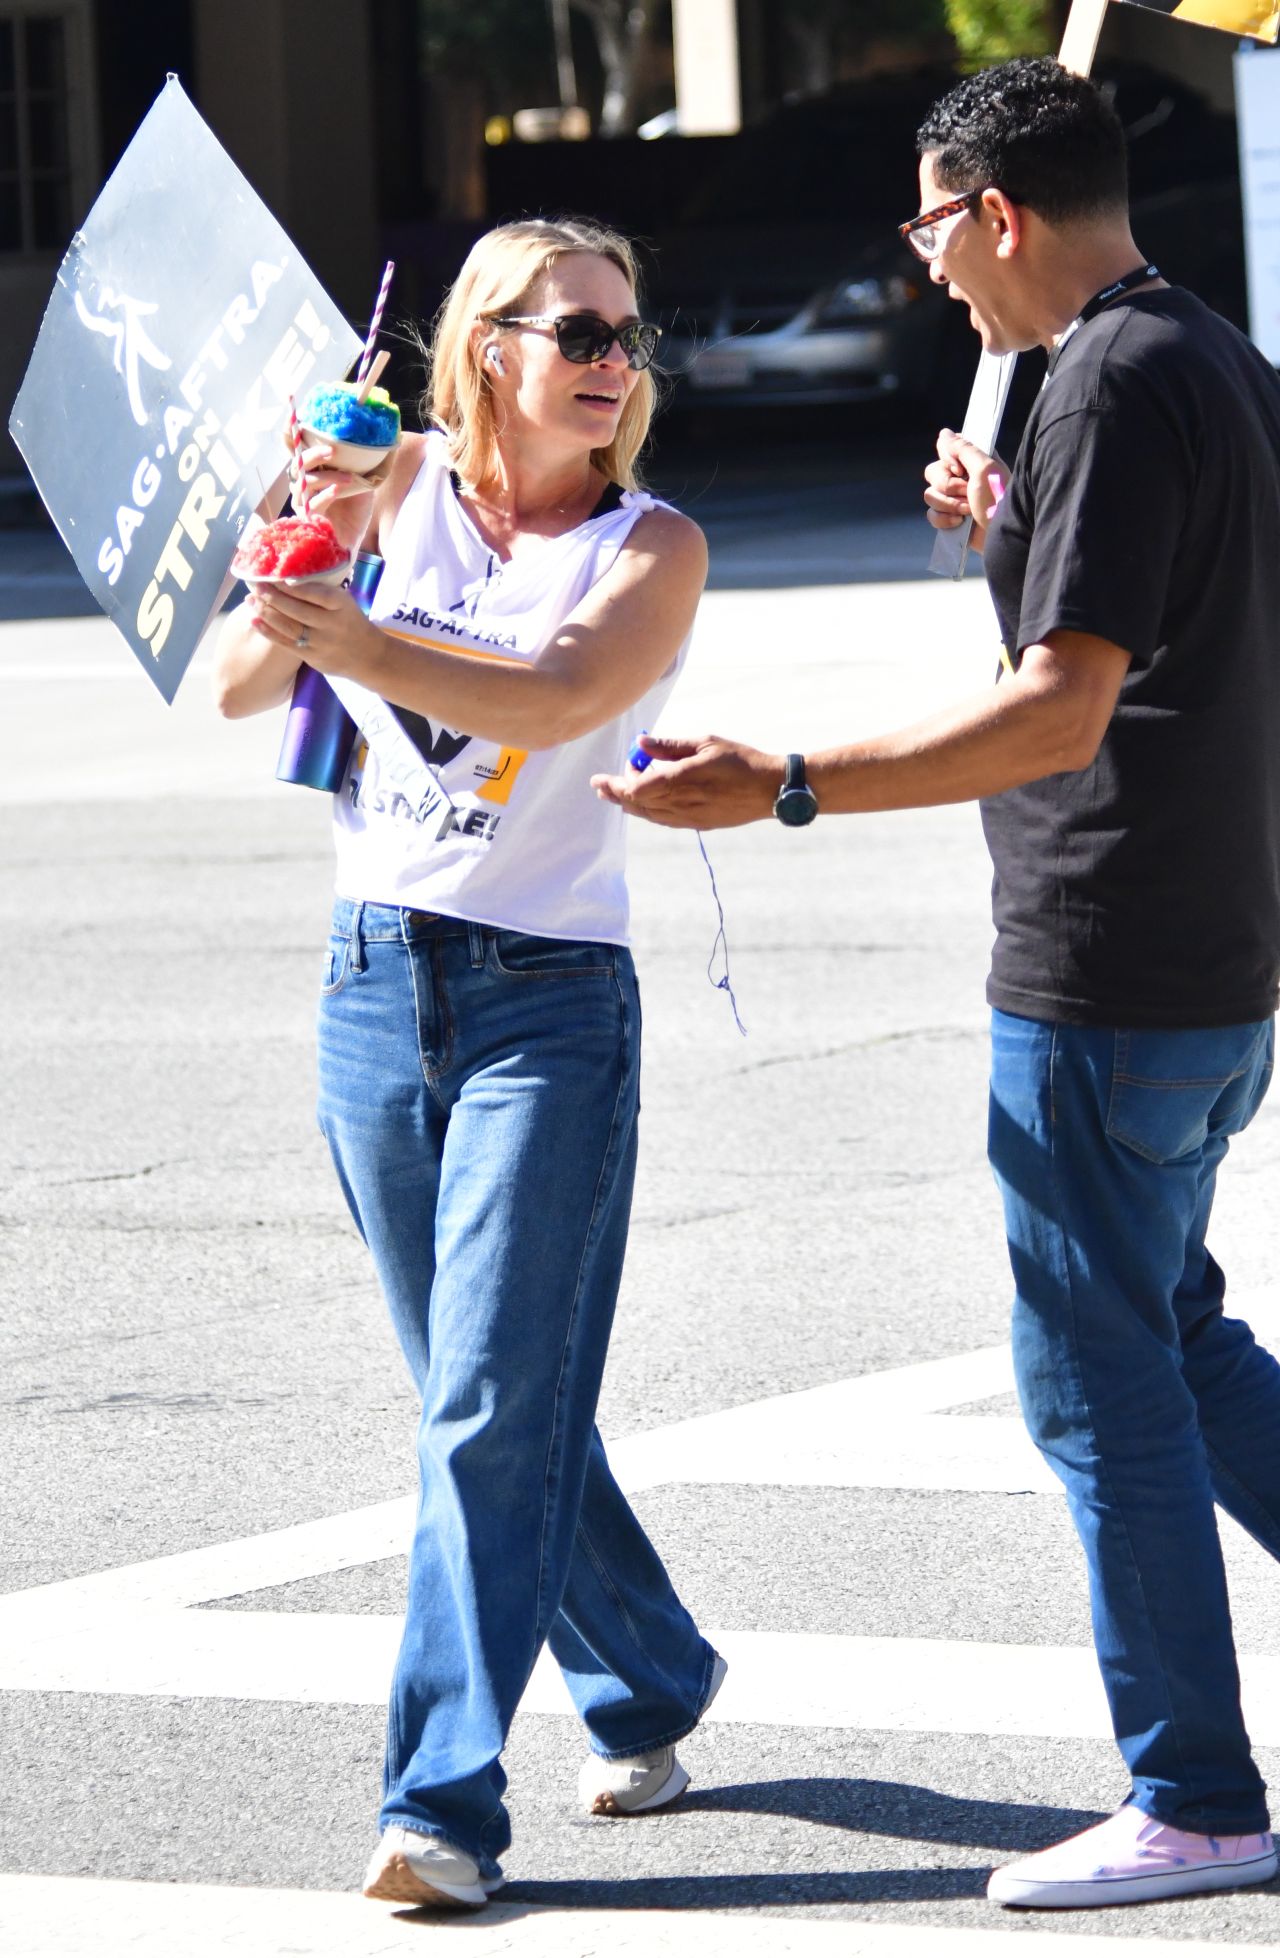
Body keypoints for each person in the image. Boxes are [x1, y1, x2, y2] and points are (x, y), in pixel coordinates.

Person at [595, 59, 1280, 1911]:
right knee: (1180, 1334)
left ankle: (1199, 1798)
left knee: (1095, 1385)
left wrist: (790, 780)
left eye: (928, 229)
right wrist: (1013, 522)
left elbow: (1065, 707)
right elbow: (1168, 625)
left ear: (993, 211)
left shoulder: (1117, 382)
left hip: (1109, 963)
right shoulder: (1194, 358)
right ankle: (1197, 1784)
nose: (928, 275)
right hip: (1209, 965)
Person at [214, 216, 724, 1910]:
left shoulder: (654, 547)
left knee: (496, 1404)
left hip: (549, 1007)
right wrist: (305, 538)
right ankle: (649, 1667)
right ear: (482, 341)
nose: (610, 357)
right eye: (574, 325)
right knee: (481, 1406)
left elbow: (561, 694)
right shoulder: (385, 473)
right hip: (371, 981)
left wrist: (355, 632)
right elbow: (233, 685)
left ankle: (438, 1803)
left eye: (627, 334)